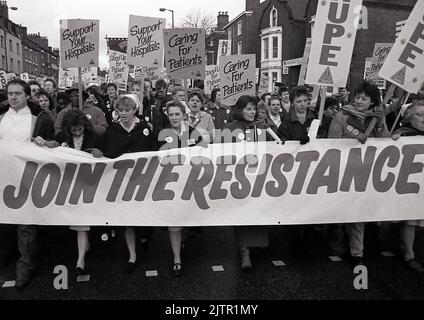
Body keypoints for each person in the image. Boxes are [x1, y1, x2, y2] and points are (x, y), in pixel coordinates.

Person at [0, 79, 55, 289]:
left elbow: (55, 143)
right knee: (4, 225)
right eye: (9, 93)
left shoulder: (38, 119)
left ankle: (25, 268)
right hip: (3, 180)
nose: (12, 97)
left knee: (26, 227)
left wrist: (45, 143)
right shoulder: (1, 118)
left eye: (17, 93)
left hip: (27, 179)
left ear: (27, 96)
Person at [328, 81, 389, 267]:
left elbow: (385, 142)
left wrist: (379, 124)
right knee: (352, 213)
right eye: (357, 97)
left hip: (367, 173)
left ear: (372, 102)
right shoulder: (342, 116)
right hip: (345, 171)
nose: (359, 101)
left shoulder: (375, 118)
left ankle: (356, 249)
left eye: (364, 98)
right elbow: (332, 142)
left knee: (359, 213)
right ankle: (355, 250)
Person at [100, 94, 155, 273]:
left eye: (127, 110)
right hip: (121, 179)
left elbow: (154, 152)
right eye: (120, 110)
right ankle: (132, 255)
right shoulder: (112, 130)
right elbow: (107, 152)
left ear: (134, 110)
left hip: (142, 179)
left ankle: (145, 237)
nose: (123, 113)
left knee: (144, 216)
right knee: (127, 219)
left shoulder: (144, 128)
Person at [222, 96, 270, 270]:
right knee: (242, 216)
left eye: (254, 109)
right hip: (239, 179)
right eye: (248, 109)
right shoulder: (229, 128)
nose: (252, 112)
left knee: (255, 215)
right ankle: (244, 251)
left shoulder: (261, 127)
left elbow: (275, 147)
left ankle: (255, 246)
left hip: (258, 178)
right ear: (240, 109)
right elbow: (222, 154)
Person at [53, 109, 103, 278]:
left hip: (90, 184)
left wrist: (100, 153)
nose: (76, 132)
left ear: (85, 126)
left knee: (83, 223)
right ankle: (81, 257)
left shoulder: (95, 137)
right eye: (73, 130)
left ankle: (81, 257)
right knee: (81, 224)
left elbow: (106, 157)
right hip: (71, 185)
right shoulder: (62, 138)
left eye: (79, 129)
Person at [158, 100, 204, 276]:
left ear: (184, 115)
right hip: (170, 183)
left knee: (185, 219)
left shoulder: (194, 133)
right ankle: (177, 258)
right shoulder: (162, 134)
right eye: (171, 115)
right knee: (174, 222)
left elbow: (203, 155)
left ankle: (184, 241)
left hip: (191, 182)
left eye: (177, 114)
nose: (174, 117)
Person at [391, 99, 424, 272]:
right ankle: (409, 254)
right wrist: (392, 141)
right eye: (419, 115)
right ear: (410, 118)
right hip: (407, 185)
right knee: (410, 219)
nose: (423, 118)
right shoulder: (402, 134)